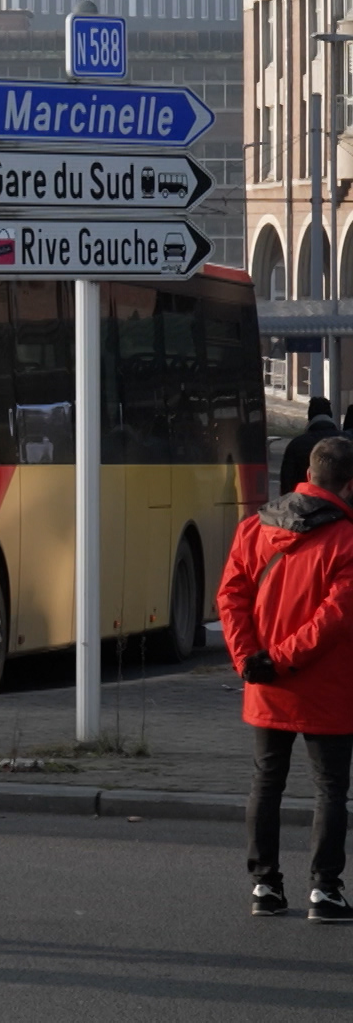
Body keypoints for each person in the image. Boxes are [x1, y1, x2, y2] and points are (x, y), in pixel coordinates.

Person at [216, 434, 353, 923]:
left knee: (266, 781)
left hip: (266, 684)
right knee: (330, 787)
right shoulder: (346, 539)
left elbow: (230, 596)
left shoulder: (255, 527)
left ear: (308, 474)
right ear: (349, 484)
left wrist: (249, 657)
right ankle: (326, 890)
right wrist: (280, 658)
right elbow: (334, 618)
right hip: (325, 686)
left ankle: (265, 886)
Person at [280, 396, 342, 496]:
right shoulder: (347, 441)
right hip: (343, 506)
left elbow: (287, 484)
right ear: (330, 415)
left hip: (303, 504)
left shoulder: (296, 445)